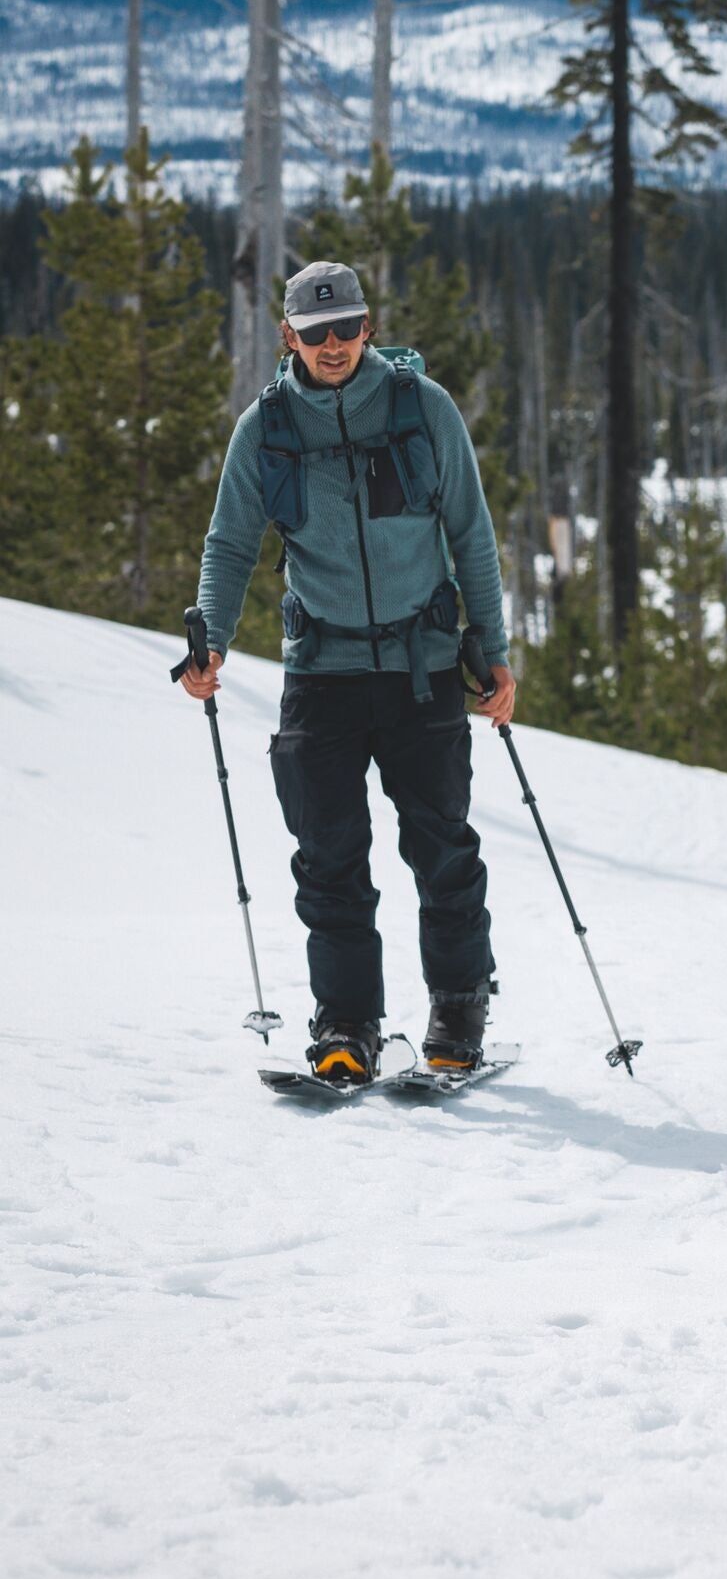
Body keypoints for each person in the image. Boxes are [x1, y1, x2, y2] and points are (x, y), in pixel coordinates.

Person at [179, 259, 515, 1082]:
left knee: (442, 848)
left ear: (368, 327)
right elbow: (230, 543)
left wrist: (494, 651)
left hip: (421, 666)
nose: (333, 345)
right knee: (329, 855)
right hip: (321, 670)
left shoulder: (421, 408)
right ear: (287, 335)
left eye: (347, 327)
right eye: (315, 331)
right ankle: (347, 1024)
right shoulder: (265, 429)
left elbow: (471, 534)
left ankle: (459, 1011)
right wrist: (212, 638)